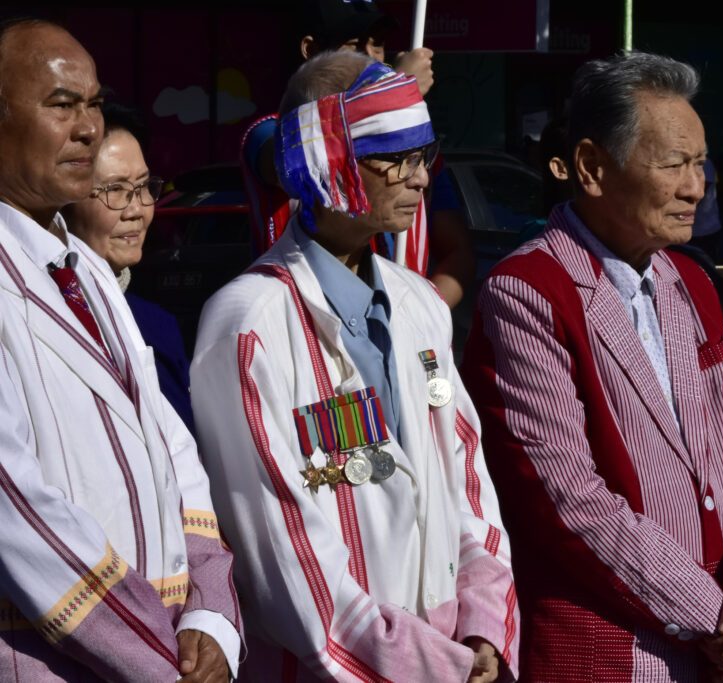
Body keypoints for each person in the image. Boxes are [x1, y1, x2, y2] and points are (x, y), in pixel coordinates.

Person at [191, 50, 517, 681]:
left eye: (424, 155)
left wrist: (482, 626)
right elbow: (283, 554)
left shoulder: (421, 303)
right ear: (324, 162)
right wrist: (427, 664)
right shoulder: (249, 323)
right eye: (394, 158)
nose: (420, 178)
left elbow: (467, 481)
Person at [460, 51, 723, 682]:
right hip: (613, 650)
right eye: (673, 165)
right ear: (590, 168)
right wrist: (712, 615)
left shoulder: (690, 282)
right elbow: (568, 499)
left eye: (700, 163)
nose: (697, 186)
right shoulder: (528, 289)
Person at [0, 18, 241, 681]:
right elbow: (19, 514)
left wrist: (212, 615)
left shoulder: (87, 270)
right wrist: (163, 655)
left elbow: (174, 452)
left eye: (95, 104)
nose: (89, 128)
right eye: (60, 105)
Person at [242, 0, 475, 307]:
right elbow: (294, 162)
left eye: (377, 45)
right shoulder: (274, 133)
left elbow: (457, 251)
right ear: (311, 50)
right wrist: (394, 94)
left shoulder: (420, 152)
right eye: (353, 45)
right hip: (305, 316)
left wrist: (417, 317)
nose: (371, 58)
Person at [62, 102, 196, 434]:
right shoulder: (49, 320)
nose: (137, 210)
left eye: (143, 187)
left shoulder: (156, 325)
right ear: (65, 201)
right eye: (115, 190)